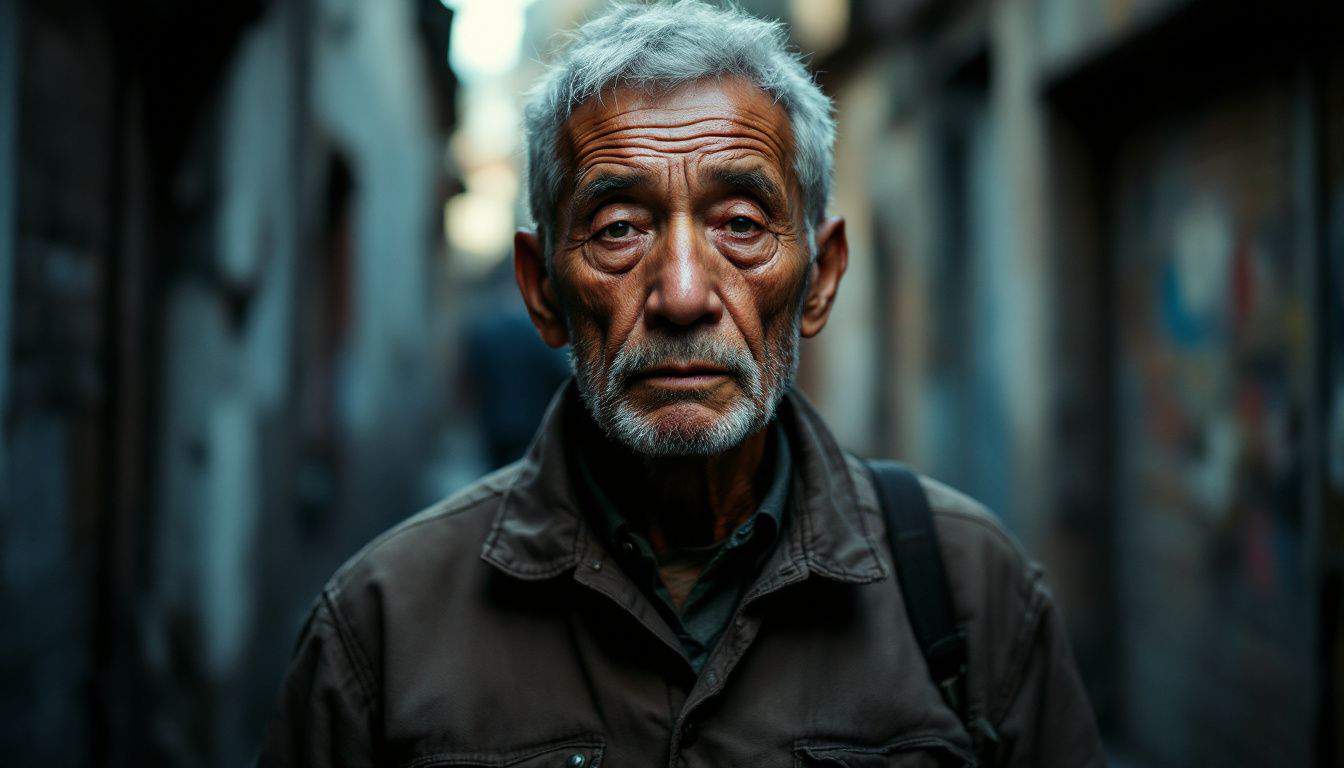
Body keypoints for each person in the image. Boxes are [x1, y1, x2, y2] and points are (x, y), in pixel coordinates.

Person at [257, 2, 1103, 766]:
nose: (685, 295)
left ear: (821, 278)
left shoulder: (971, 594)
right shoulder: (384, 628)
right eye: (619, 229)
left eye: (741, 225)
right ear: (542, 288)